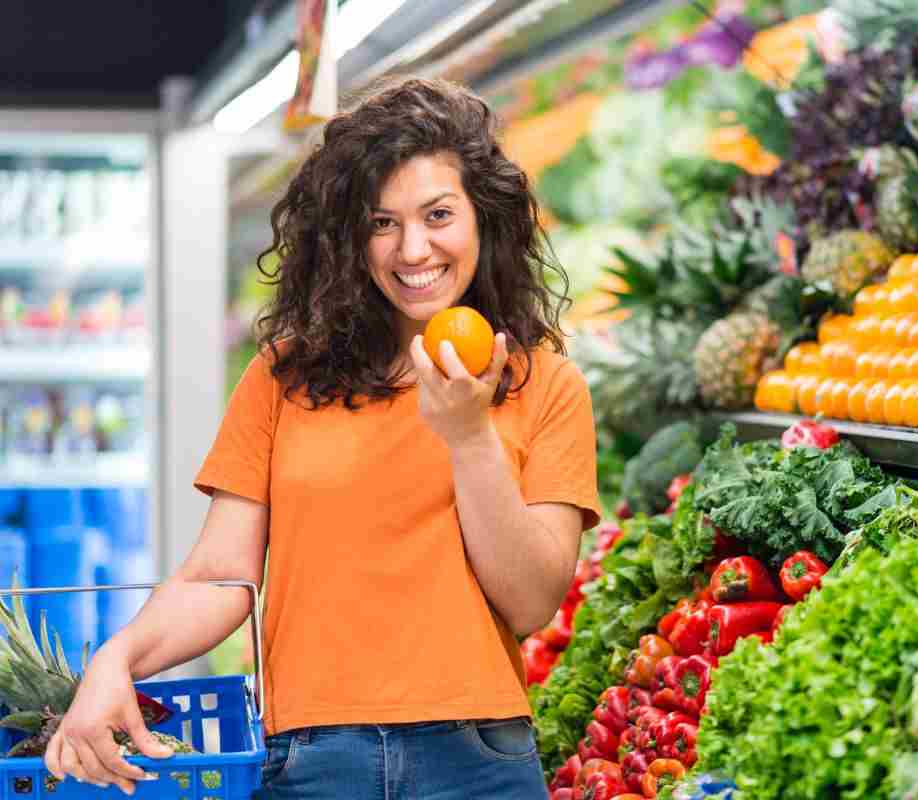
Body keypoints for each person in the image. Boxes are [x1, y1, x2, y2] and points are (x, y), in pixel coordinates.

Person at [44, 77, 600, 799]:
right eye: (381, 222)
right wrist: (115, 660)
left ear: (482, 219)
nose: (413, 248)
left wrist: (469, 437)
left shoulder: (546, 385)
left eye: (438, 214)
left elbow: (529, 602)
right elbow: (221, 577)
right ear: (348, 237)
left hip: (477, 760)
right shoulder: (286, 377)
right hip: (314, 761)